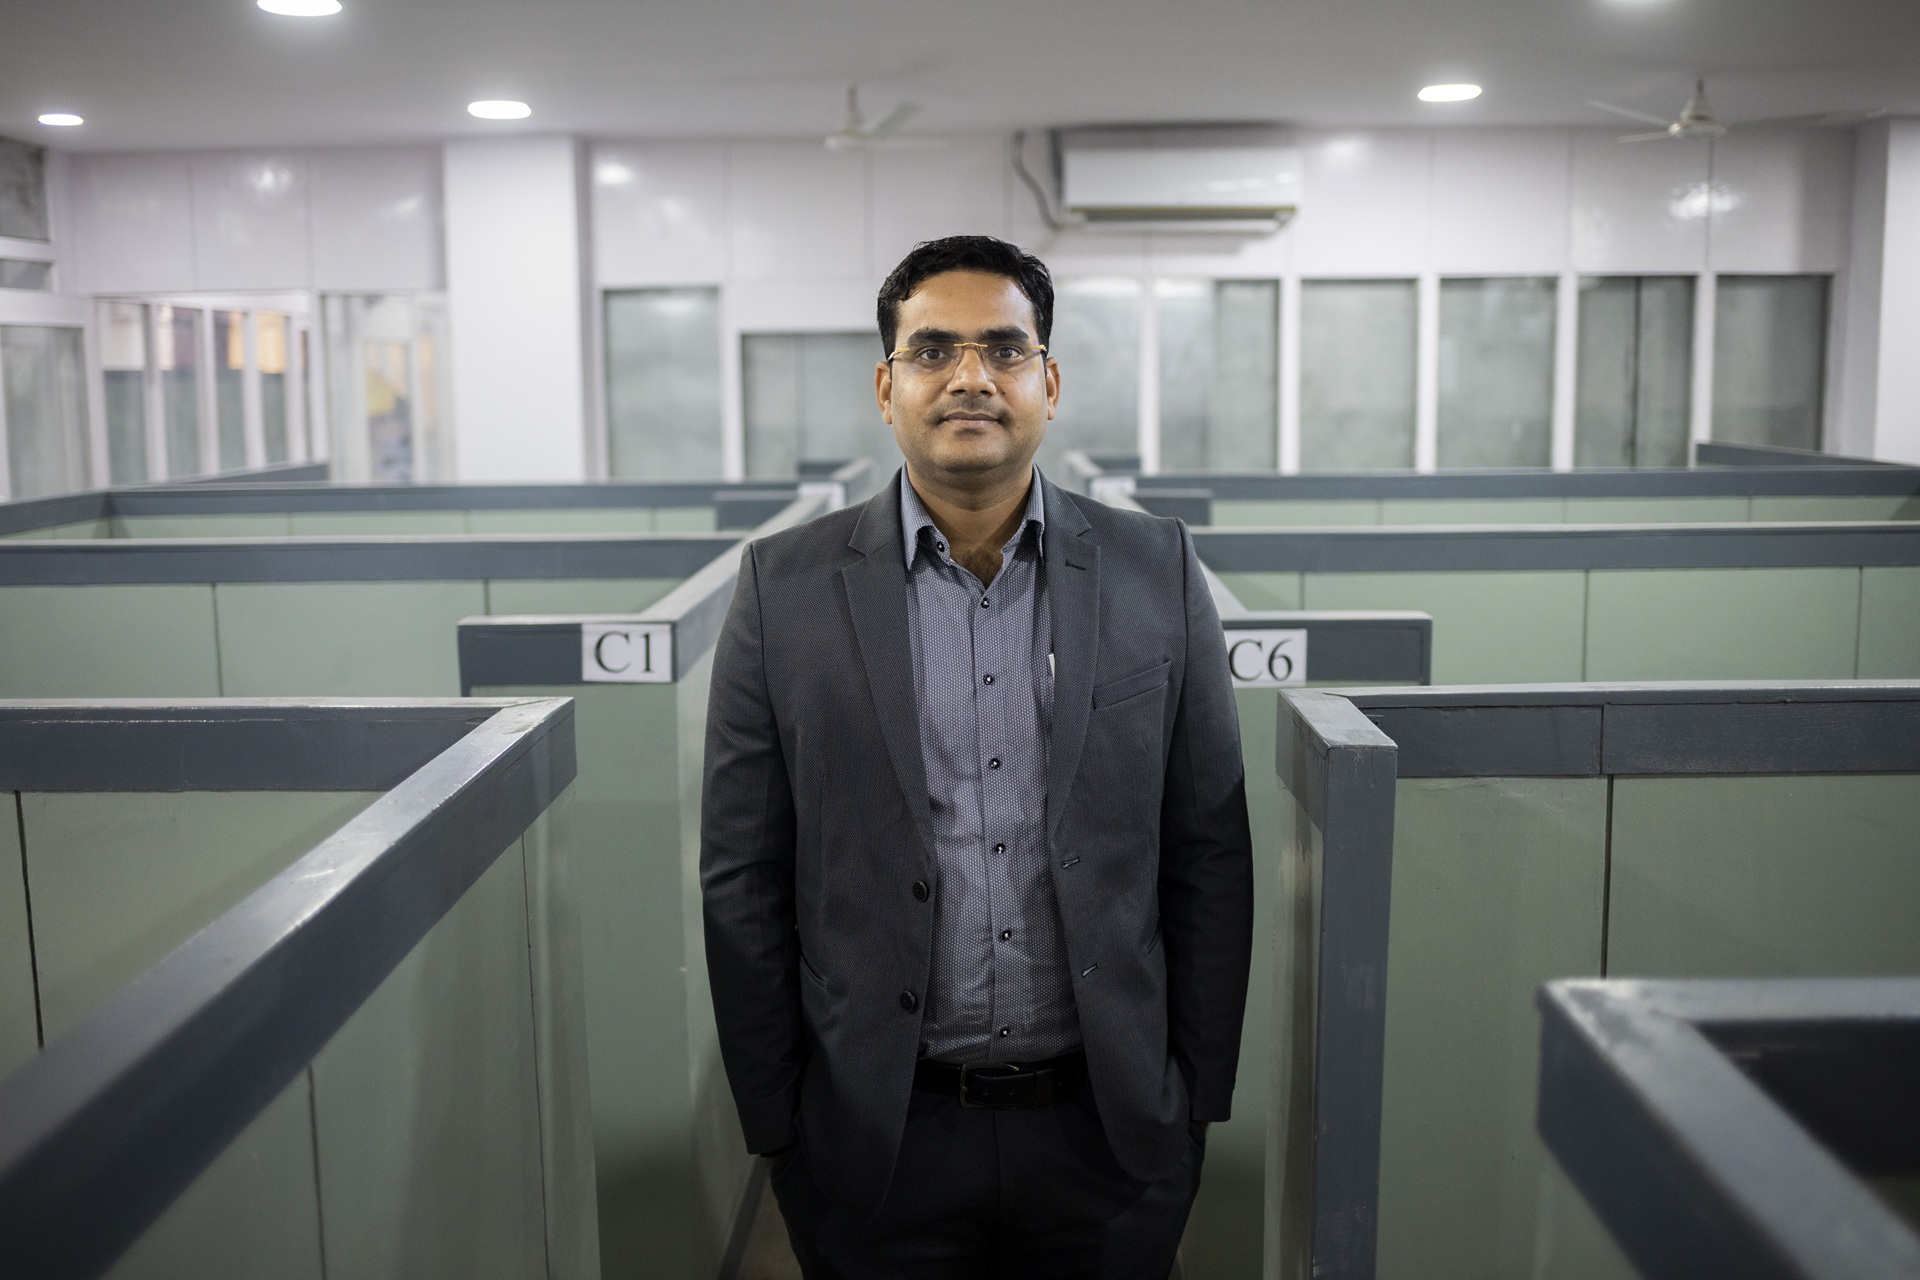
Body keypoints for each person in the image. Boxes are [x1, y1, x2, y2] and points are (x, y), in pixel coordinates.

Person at [700, 234, 1253, 1279]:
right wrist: (778, 1122)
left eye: (1004, 349)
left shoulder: (1156, 568)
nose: (970, 377)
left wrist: (1192, 1101)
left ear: (1049, 381)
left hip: (1109, 1132)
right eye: (932, 350)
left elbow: (1209, 850)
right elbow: (743, 876)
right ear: (887, 386)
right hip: (877, 1139)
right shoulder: (783, 589)